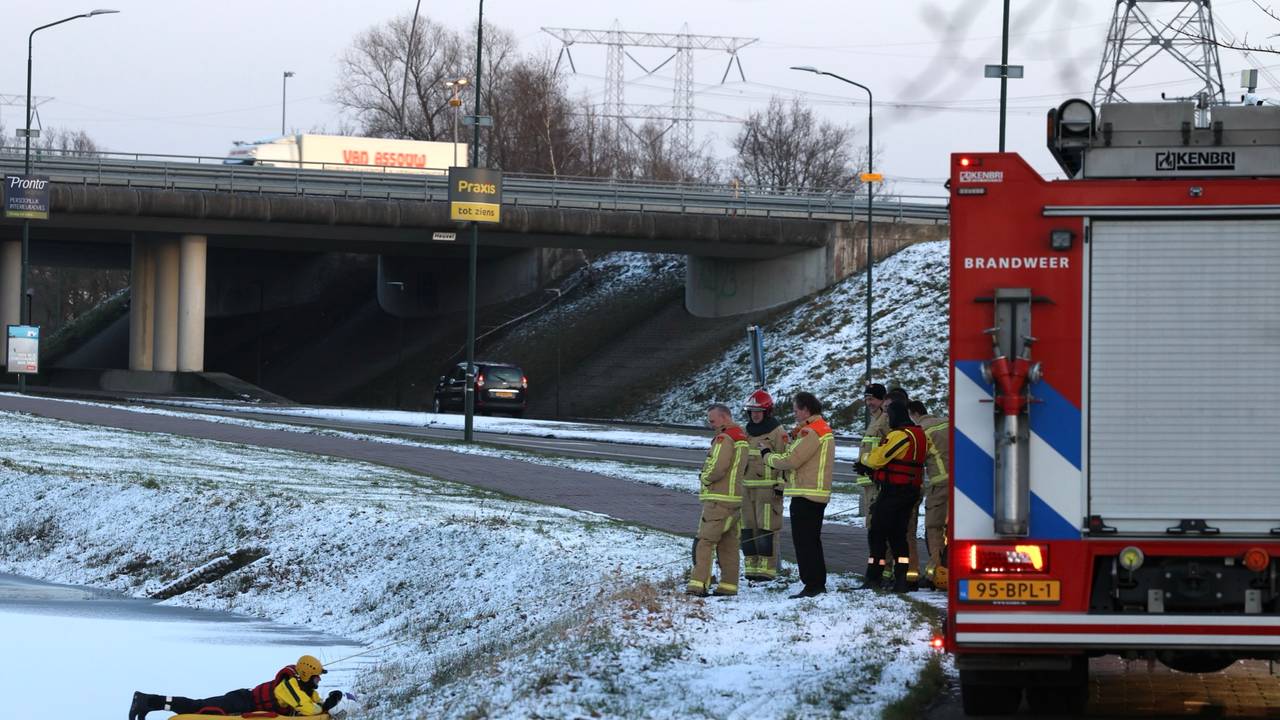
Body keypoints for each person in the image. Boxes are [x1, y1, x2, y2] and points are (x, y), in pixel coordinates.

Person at [766, 391, 836, 599]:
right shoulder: (820, 429)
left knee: (805, 542)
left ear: (806, 409)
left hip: (807, 494)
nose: (794, 414)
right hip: (815, 493)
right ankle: (816, 583)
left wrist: (767, 456)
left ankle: (812, 584)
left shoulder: (811, 432)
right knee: (811, 541)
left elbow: (791, 460)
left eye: (796, 409)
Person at [855, 401, 928, 593]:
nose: (887, 419)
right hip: (910, 491)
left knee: (877, 532)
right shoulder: (919, 434)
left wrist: (864, 461)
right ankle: (901, 579)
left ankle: (874, 576)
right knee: (898, 535)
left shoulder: (899, 435)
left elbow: (877, 458)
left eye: (889, 415)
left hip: (894, 491)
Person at [129, 654, 341, 719]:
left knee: (198, 706)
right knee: (199, 708)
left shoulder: (304, 687)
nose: (318, 681)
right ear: (306, 673)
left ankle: (148, 701)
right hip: (240, 701)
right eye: (316, 677)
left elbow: (315, 703)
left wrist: (329, 701)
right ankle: (147, 701)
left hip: (245, 699)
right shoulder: (290, 686)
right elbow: (309, 709)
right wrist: (325, 707)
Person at [688, 403, 748, 597]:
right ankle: (729, 586)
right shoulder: (742, 437)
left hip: (718, 499)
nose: (710, 423)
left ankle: (698, 585)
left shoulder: (724, 438)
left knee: (705, 541)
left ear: (724, 417)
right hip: (735, 499)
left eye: (712, 420)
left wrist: (704, 477)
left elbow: (718, 467)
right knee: (729, 544)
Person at [740, 389, 790, 581]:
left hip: (768, 488)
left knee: (766, 528)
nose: (755, 415)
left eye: (759, 411)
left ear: (767, 412)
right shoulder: (746, 431)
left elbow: (786, 460)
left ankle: (766, 571)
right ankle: (751, 568)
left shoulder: (778, 432)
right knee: (747, 529)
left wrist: (781, 484)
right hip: (746, 487)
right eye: (752, 411)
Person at [909, 400, 951, 590]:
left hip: (940, 484)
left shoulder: (921, 430)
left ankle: (938, 573)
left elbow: (915, 459)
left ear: (913, 414)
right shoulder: (947, 422)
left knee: (934, 528)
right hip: (963, 486)